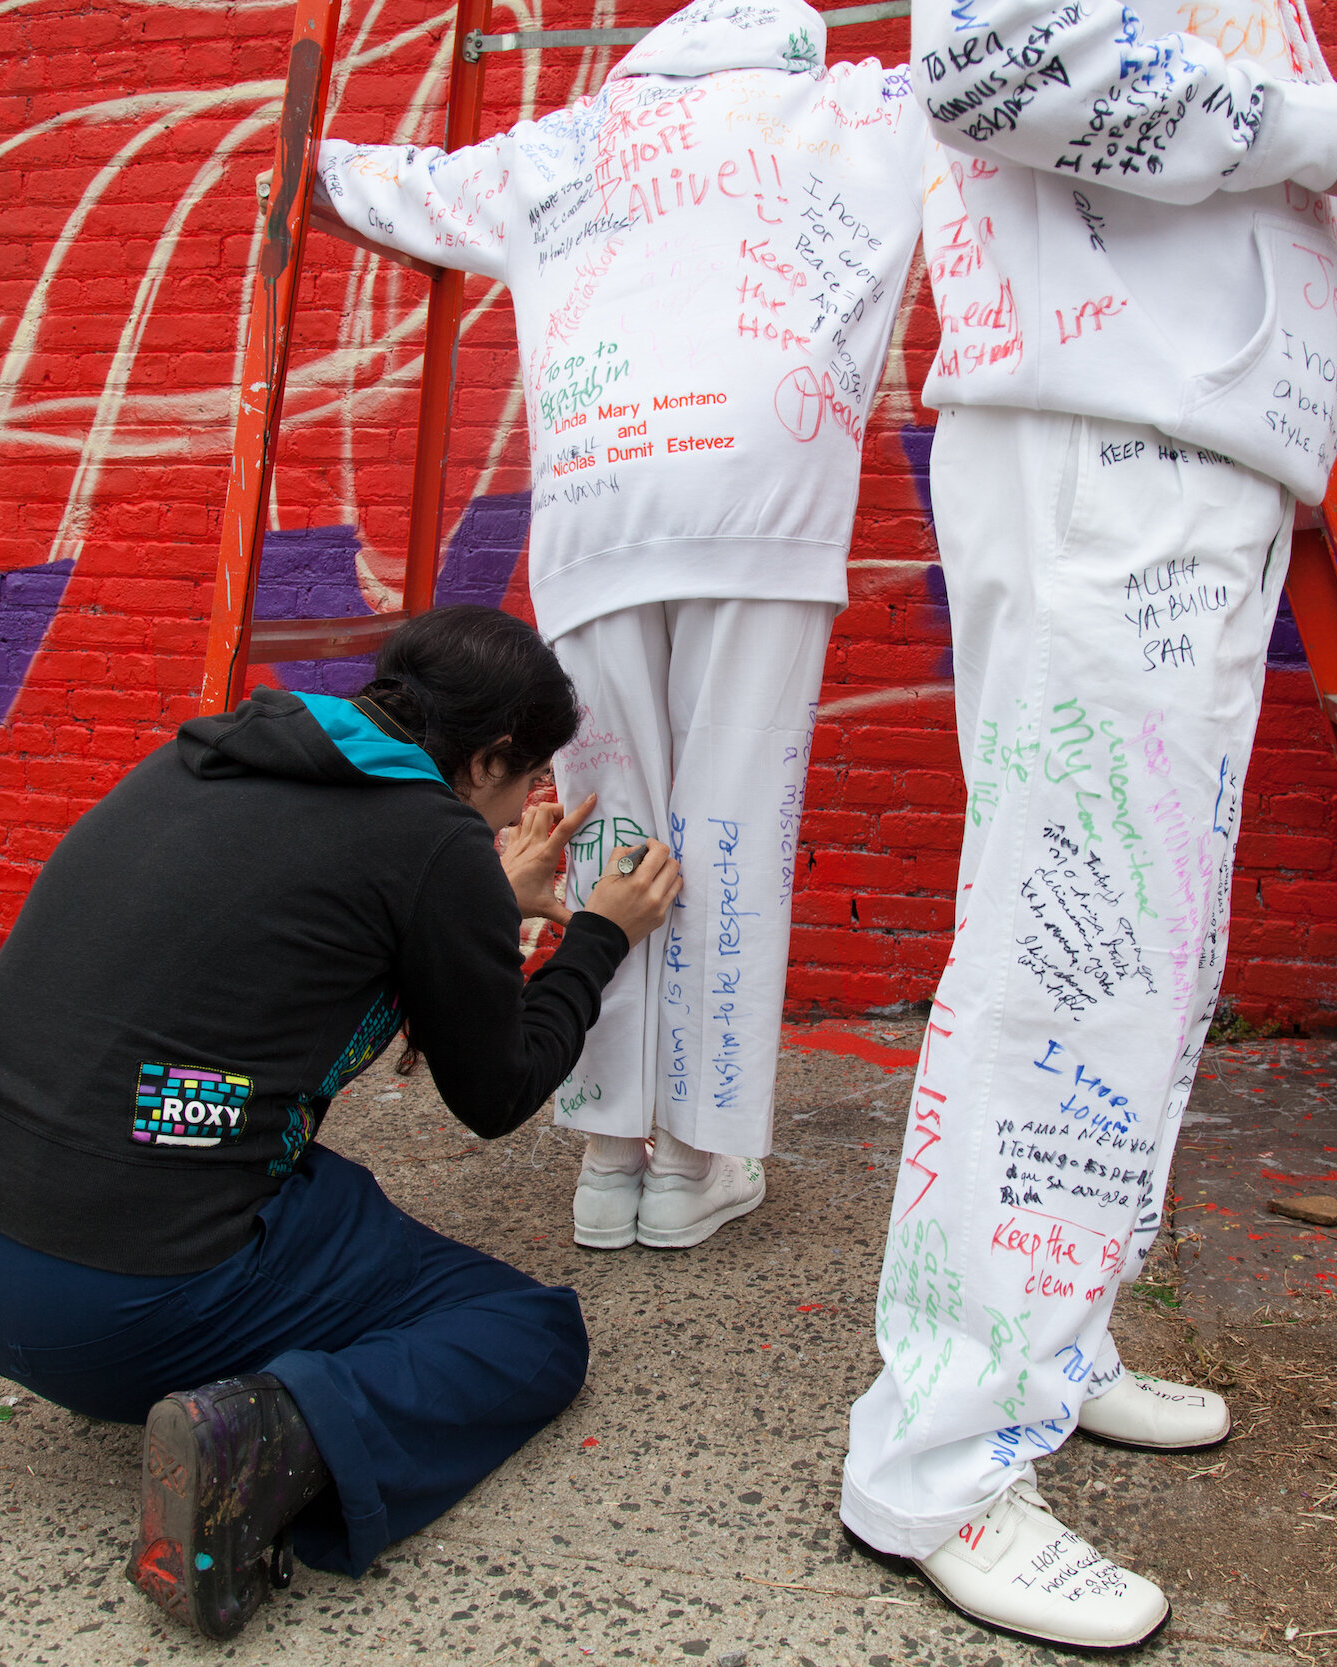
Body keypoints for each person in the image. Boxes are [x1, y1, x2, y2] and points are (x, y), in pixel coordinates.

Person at [838, 1, 1337, 1649]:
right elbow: (989, 64)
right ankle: (938, 1461)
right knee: (1070, 954)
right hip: (1106, 446)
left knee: (1147, 953)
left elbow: (1184, 143)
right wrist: (1332, 133)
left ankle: (1051, 1342)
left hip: (1188, 448)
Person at [0, 605, 682, 1640]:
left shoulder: (201, 757)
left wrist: (481, 902)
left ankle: (192, 1377)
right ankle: (268, 1440)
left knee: (320, 1189)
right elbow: (496, 1093)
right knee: (523, 1330)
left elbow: (295, 919)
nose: (537, 799)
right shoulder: (427, 840)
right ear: (483, 756)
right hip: (107, 1302)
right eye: (528, 774)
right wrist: (600, 938)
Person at [314, 0, 928, 1253]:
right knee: (730, 820)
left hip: (600, 498)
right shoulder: (869, 107)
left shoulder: (563, 144)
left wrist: (302, 162)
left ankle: (607, 1153)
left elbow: (373, 187)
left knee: (601, 821)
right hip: (765, 500)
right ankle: (698, 1159)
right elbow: (1035, 100)